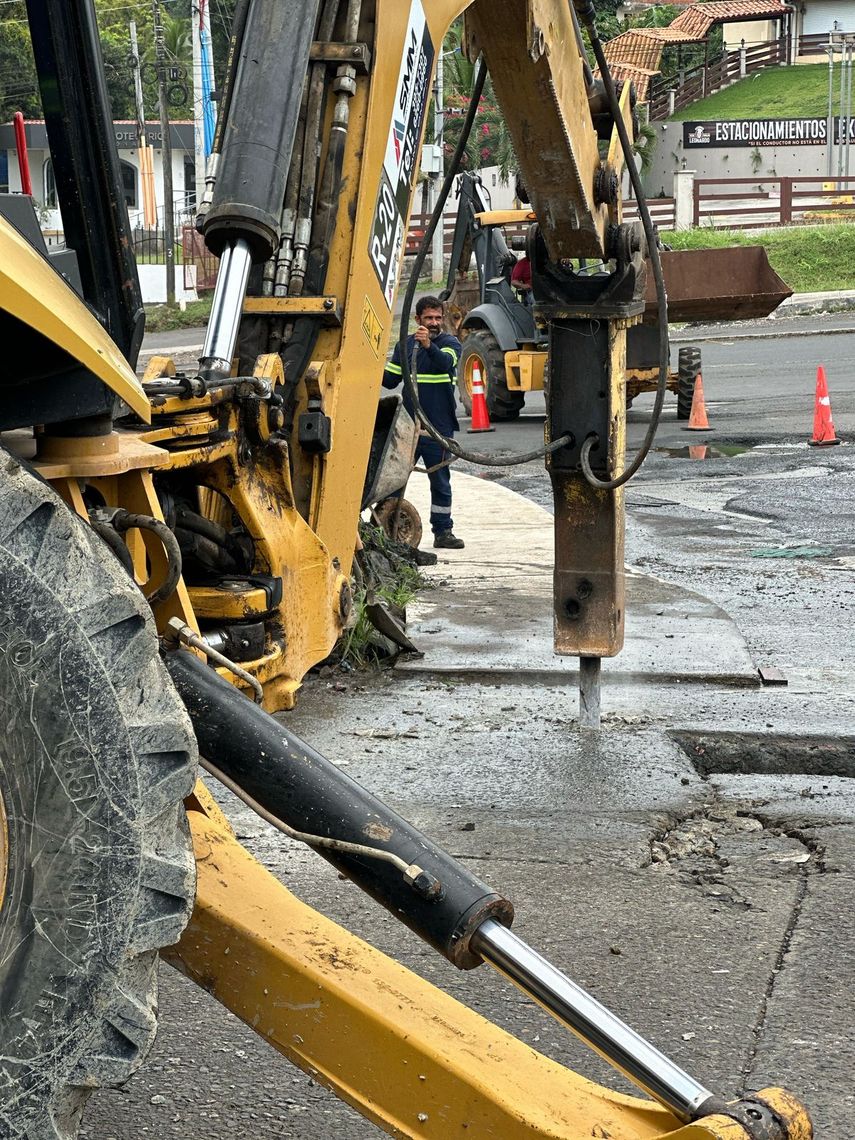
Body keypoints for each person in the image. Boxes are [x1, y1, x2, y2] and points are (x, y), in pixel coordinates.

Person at [383, 296, 464, 550]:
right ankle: (389, 529)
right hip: (408, 426)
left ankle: (443, 532)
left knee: (440, 480)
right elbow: (389, 380)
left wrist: (428, 345)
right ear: (417, 319)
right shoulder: (405, 346)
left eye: (438, 318)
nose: (434, 323)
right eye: (429, 318)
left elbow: (446, 363)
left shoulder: (450, 343)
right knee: (395, 479)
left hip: (437, 427)